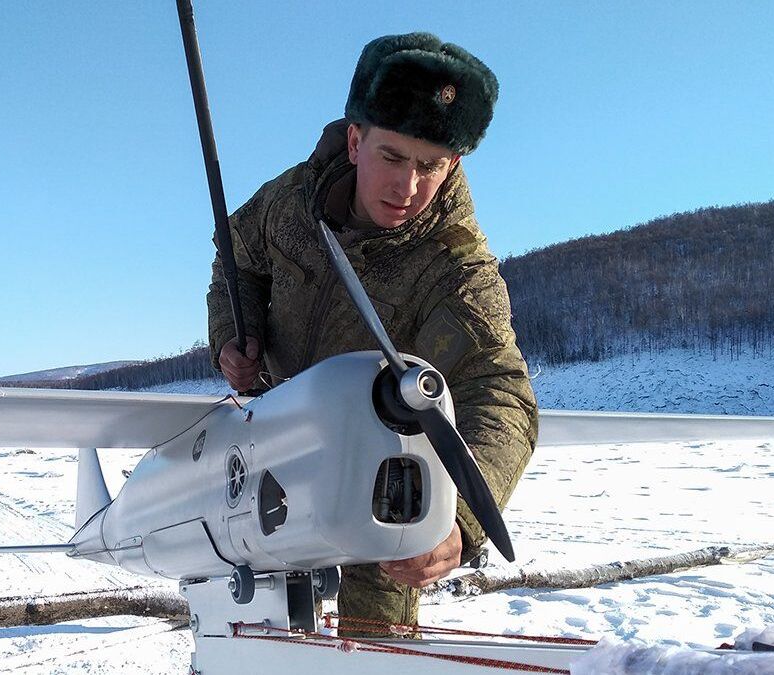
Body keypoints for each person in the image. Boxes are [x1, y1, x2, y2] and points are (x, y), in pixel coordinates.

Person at [206, 32, 538, 631]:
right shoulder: (292, 202)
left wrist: (457, 522)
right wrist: (237, 332)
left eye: (431, 166)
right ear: (356, 141)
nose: (407, 188)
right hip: (272, 445)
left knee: (380, 644)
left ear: (454, 163)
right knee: (251, 622)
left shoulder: (454, 266)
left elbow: (502, 392)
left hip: (379, 473)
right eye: (392, 157)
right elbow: (237, 254)